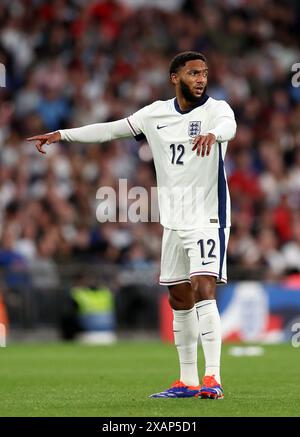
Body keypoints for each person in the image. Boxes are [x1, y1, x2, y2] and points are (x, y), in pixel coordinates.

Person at [28, 51, 237, 399]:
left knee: (204, 287)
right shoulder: (154, 113)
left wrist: (214, 135)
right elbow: (110, 130)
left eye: (204, 73)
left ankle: (213, 378)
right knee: (178, 297)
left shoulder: (217, 110)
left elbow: (230, 126)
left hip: (207, 216)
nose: (201, 79)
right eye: (193, 73)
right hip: (173, 221)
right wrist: (62, 135)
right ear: (175, 77)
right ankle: (187, 380)